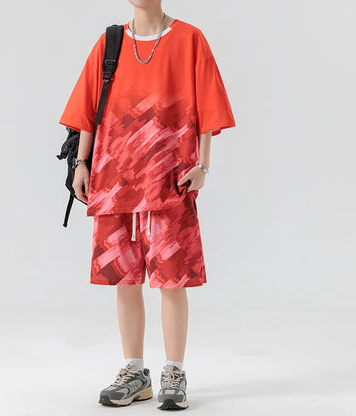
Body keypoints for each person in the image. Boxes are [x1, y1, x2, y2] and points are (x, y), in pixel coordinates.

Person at [58, 0, 236, 411]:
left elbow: (208, 108)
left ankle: (174, 371)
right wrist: (81, 163)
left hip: (171, 179)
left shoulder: (190, 39)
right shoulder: (111, 42)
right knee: (124, 278)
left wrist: (203, 165)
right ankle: (135, 372)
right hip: (113, 178)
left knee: (172, 278)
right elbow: (87, 110)